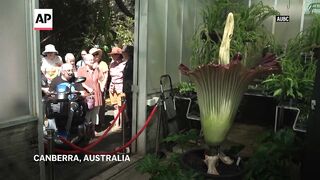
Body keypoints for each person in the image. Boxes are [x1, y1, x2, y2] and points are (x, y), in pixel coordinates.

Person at [46, 63, 85, 131]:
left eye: (72, 70)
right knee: (51, 111)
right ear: (63, 72)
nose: (71, 72)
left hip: (72, 103)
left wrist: (78, 93)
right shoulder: (56, 80)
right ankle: (52, 131)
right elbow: (50, 92)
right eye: (68, 70)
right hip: (59, 104)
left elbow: (82, 92)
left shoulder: (75, 80)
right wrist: (51, 94)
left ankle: (69, 130)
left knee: (73, 109)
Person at [77, 54, 104, 136]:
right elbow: (79, 81)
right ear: (85, 61)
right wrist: (87, 88)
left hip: (96, 93)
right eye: (90, 60)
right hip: (87, 94)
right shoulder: (81, 69)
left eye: (92, 59)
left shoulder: (96, 69)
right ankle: (86, 130)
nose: (92, 61)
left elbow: (101, 78)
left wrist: (98, 69)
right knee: (87, 112)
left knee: (95, 112)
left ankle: (93, 129)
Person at [89, 47, 109, 125]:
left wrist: (103, 85)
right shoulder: (89, 64)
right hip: (91, 88)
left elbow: (106, 75)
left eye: (97, 54)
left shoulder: (103, 64)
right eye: (94, 54)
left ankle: (101, 122)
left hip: (100, 86)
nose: (96, 56)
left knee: (101, 105)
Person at [108, 47, 126, 130]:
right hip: (112, 87)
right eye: (112, 54)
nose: (113, 56)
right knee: (115, 106)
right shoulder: (111, 64)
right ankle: (116, 124)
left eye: (115, 54)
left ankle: (122, 125)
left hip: (120, 87)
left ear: (119, 55)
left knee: (121, 107)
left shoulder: (124, 64)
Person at [122, 45, 134, 128]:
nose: (123, 54)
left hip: (130, 89)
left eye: (124, 52)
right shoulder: (129, 62)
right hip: (128, 89)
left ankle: (131, 127)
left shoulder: (132, 62)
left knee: (131, 110)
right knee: (129, 109)